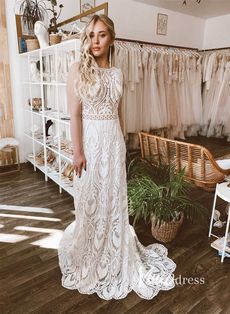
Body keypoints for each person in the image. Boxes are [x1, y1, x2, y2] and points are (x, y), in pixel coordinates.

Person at [58, 14, 176, 300]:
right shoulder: (78, 69)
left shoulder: (118, 73)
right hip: (91, 143)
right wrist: (78, 151)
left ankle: (114, 248)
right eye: (91, 35)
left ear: (111, 38)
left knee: (113, 198)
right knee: (90, 197)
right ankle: (90, 249)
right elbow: (74, 116)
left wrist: (122, 143)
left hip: (113, 143)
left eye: (101, 35)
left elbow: (118, 113)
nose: (95, 41)